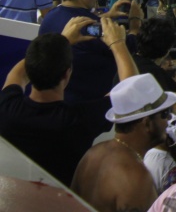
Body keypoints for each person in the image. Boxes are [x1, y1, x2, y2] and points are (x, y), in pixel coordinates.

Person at [0, 16, 138, 185]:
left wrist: (62, 41)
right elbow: (130, 89)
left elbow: (17, 74)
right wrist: (118, 44)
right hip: (60, 198)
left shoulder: (7, 108)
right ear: (67, 73)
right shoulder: (78, 120)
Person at [71, 73, 176, 212]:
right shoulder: (136, 175)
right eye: (165, 113)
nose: (169, 119)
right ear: (147, 123)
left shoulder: (92, 154)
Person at [40, 0, 143, 103]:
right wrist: (135, 24)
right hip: (89, 104)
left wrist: (105, 16)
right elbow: (125, 48)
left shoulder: (50, 17)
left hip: (63, 98)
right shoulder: (91, 27)